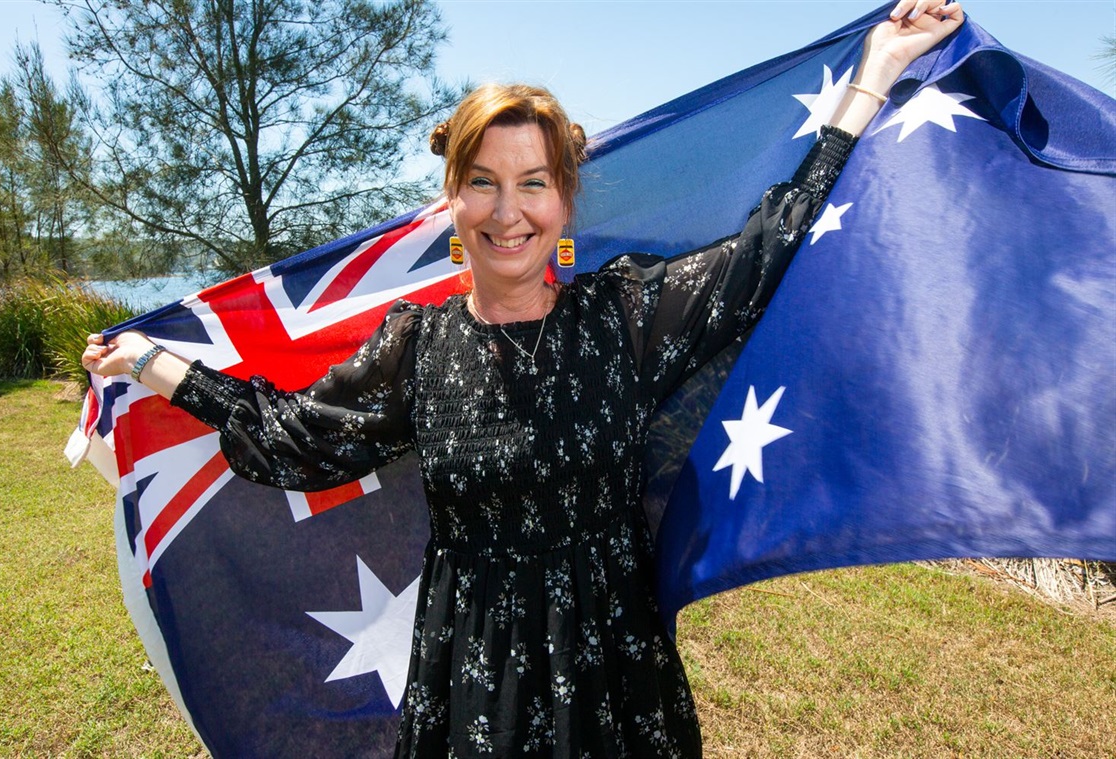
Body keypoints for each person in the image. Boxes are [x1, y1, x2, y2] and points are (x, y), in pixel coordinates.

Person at [83, 2, 965, 755]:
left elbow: (768, 249)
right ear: (451, 202)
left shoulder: (624, 318)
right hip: (475, 675)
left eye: (534, 183)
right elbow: (298, 441)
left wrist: (876, 73)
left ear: (566, 198)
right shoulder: (416, 344)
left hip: (615, 672)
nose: (510, 212)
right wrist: (154, 364)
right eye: (484, 184)